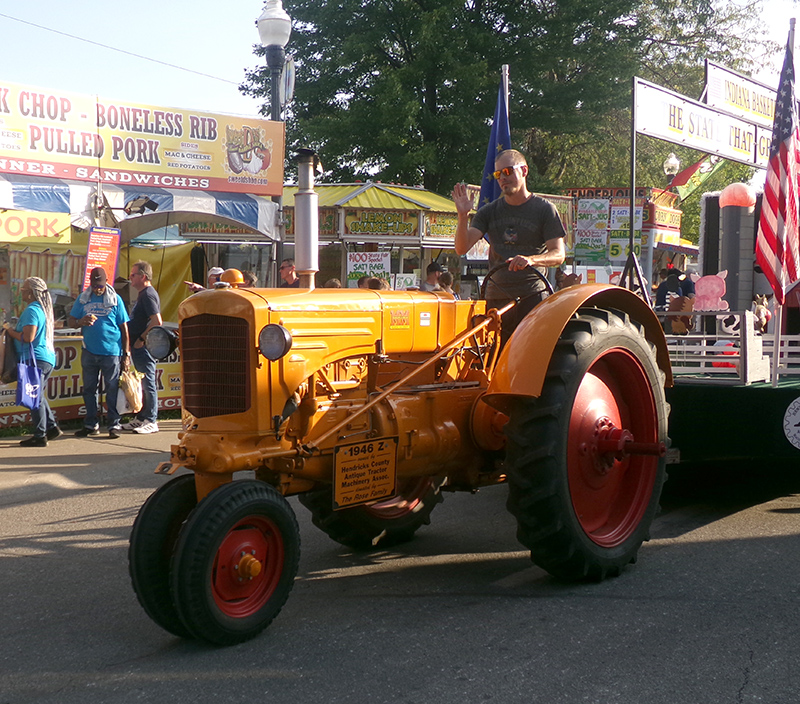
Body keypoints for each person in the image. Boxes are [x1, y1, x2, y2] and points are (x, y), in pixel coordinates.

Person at [452, 149, 566, 345]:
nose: (502, 179)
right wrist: (463, 216)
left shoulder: (544, 209)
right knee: (492, 360)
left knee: (528, 356)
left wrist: (531, 259)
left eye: (507, 172)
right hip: (495, 299)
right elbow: (461, 249)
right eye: (498, 174)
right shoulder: (488, 211)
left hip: (532, 297)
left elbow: (558, 254)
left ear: (524, 170)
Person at [68, 267, 130, 439]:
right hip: (89, 350)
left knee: (112, 388)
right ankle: (90, 424)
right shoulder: (83, 299)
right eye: (95, 286)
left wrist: (126, 353)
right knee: (89, 389)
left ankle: (114, 424)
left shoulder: (115, 299)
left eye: (100, 286)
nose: (98, 289)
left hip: (111, 352)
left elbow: (124, 327)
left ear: (106, 282)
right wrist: (81, 321)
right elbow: (71, 320)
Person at [3, 277, 61, 447]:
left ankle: (40, 435)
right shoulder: (41, 309)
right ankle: (51, 427)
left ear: (32, 292)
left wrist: (10, 331)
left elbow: (28, 337)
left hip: (34, 358)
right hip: (44, 358)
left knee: (32, 396)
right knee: (38, 395)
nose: (22, 291)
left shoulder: (32, 310)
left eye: (25, 289)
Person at [123, 260, 162, 435]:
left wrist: (141, 338)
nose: (130, 278)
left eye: (133, 275)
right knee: (143, 382)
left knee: (148, 382)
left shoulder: (148, 294)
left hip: (144, 347)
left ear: (143, 276)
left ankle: (151, 420)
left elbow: (157, 321)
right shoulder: (143, 294)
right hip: (138, 346)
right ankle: (142, 417)